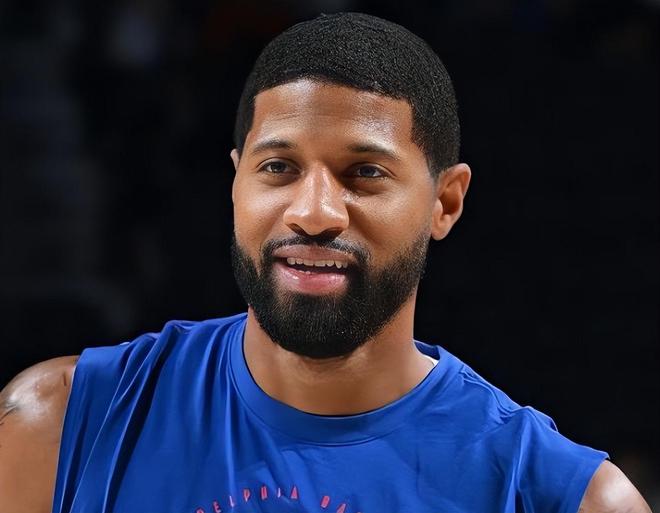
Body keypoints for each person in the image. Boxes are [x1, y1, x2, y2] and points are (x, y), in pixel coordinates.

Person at [0, 12, 651, 513]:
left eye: (364, 172)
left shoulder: (563, 497)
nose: (313, 213)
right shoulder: (59, 424)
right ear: (236, 184)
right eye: (278, 168)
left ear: (445, 202)